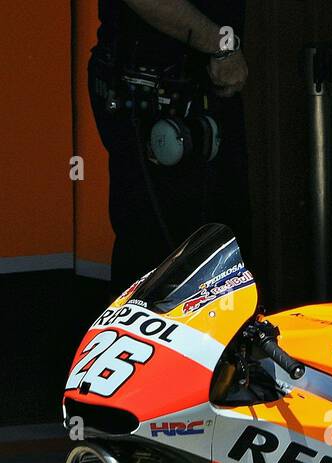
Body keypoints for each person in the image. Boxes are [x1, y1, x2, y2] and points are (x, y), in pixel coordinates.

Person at [89, 0, 252, 290]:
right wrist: (221, 46)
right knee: (157, 256)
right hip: (152, 93)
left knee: (214, 248)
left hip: (200, 90)